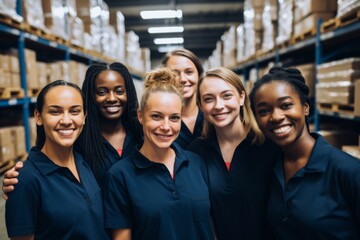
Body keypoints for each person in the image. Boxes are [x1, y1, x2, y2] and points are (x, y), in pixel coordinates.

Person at [249, 66, 360, 239]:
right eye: (263, 111)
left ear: (305, 108)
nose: (276, 116)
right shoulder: (269, 168)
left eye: (286, 105)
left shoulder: (347, 171)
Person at [104, 67, 214, 240]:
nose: (166, 126)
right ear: (141, 116)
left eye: (174, 118)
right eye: (156, 116)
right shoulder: (120, 176)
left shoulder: (197, 163)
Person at [2, 62, 143, 195]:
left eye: (119, 91)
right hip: (95, 219)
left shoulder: (142, 136)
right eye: (101, 92)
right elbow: (46, 166)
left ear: (128, 93)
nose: (112, 98)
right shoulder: (76, 138)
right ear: (91, 96)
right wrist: (20, 179)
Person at [5, 80, 110, 240]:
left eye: (75, 111)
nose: (66, 120)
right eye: (55, 112)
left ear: (84, 116)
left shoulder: (83, 161)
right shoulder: (25, 179)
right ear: (38, 117)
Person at [187, 67, 278, 240]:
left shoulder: (269, 147)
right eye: (209, 99)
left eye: (226, 95)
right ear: (200, 105)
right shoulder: (195, 152)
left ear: (242, 97)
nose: (219, 106)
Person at [162, 48, 204, 148]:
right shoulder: (160, 124)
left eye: (189, 72)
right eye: (175, 73)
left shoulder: (212, 118)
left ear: (199, 75)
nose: (183, 79)